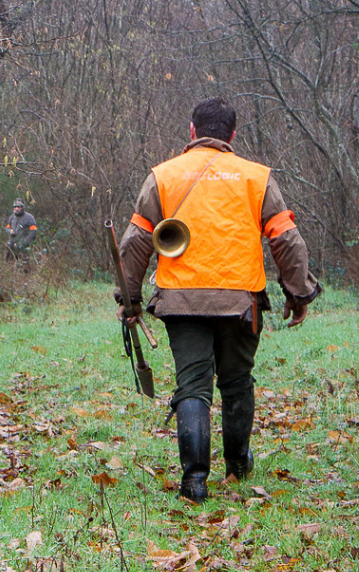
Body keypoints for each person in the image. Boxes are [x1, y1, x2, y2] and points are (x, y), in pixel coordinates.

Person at [116, 97, 320, 502]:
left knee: (192, 385)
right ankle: (238, 468)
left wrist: (130, 297)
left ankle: (194, 481)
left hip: (181, 300)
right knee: (236, 381)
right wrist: (298, 293)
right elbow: (285, 239)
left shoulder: (163, 176)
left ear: (192, 131)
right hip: (240, 302)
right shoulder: (256, 177)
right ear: (232, 136)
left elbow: (136, 242)